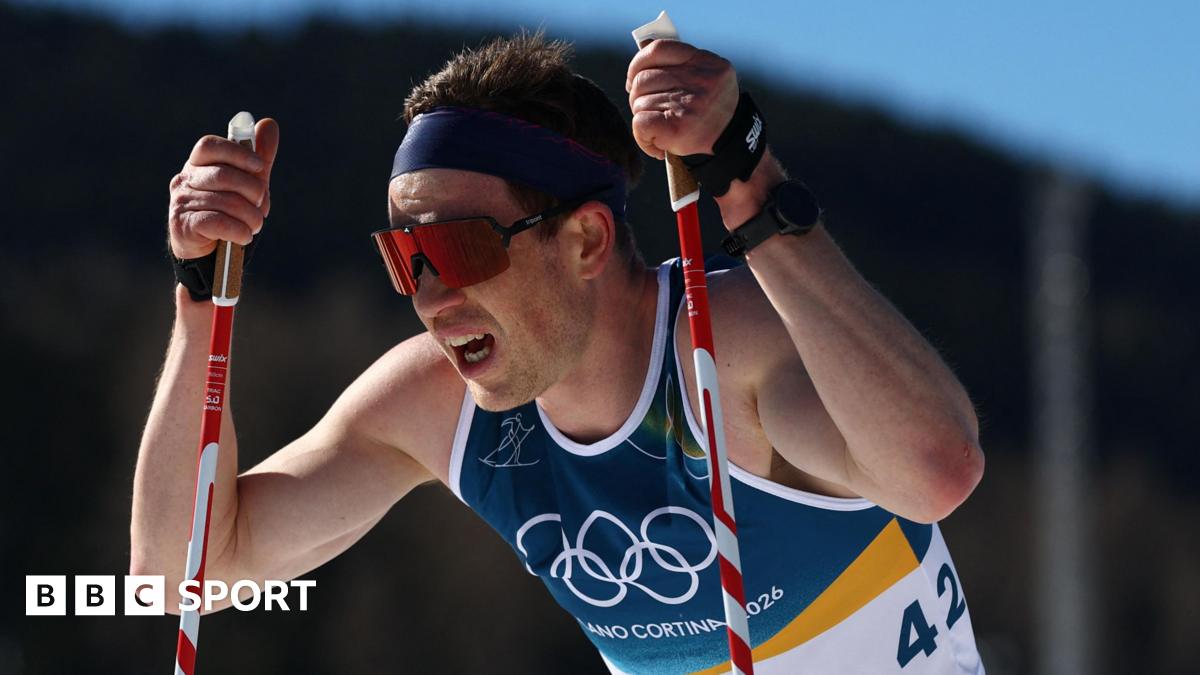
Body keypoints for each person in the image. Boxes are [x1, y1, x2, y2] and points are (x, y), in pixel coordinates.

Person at [133, 33, 986, 674]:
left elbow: (936, 471)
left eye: (460, 248)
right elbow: (179, 578)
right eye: (407, 256)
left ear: (585, 240)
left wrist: (748, 182)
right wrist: (200, 298)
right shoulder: (439, 406)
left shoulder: (723, 349)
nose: (431, 295)